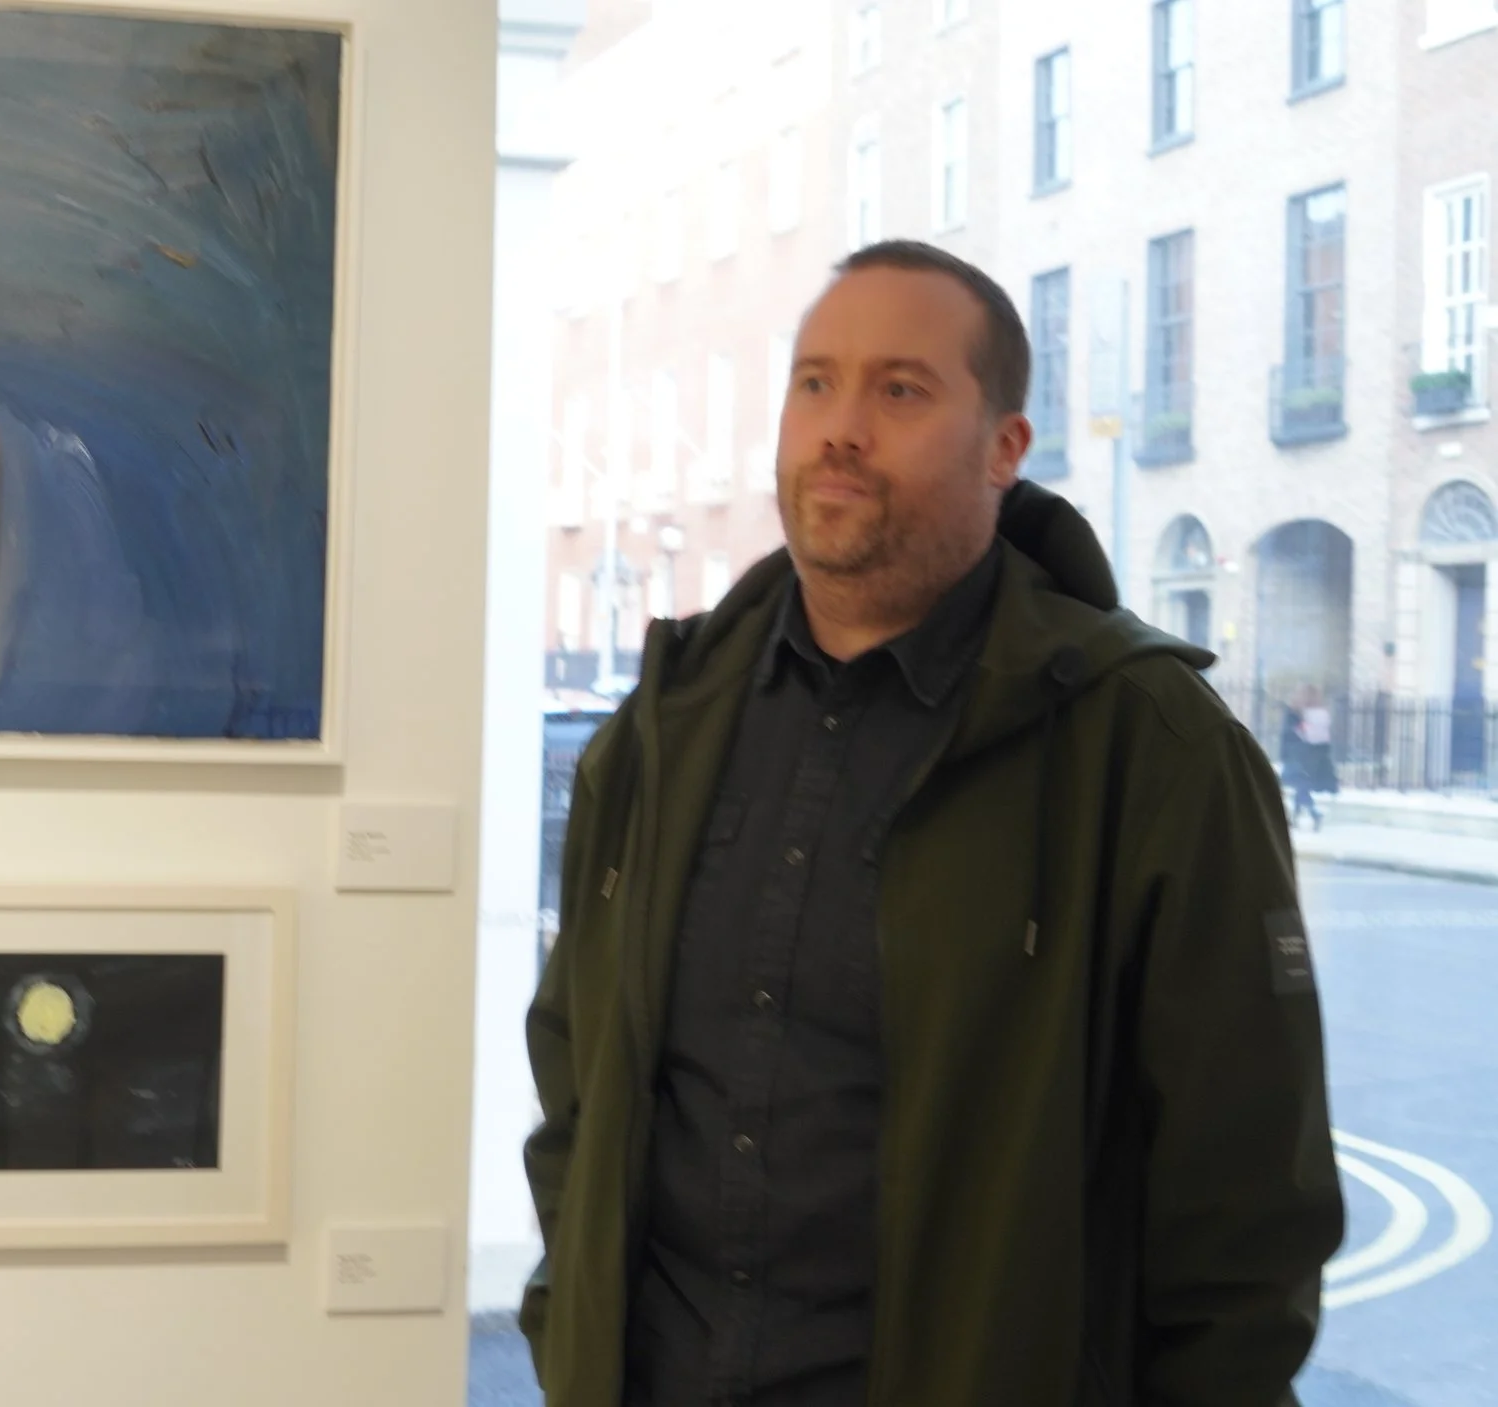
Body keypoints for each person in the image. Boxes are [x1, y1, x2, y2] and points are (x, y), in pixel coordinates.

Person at [519, 240, 1344, 1407]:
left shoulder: (1147, 749)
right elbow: (577, 1089)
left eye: (899, 389)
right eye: (815, 382)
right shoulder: (665, 726)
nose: (840, 426)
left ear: (1004, 447)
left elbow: (1245, 1216)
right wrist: (571, 1332)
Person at [1278, 684, 1338, 830]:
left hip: (1297, 755)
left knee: (1300, 784)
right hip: (1302, 755)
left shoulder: (1300, 714)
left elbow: (1290, 734)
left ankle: (1310, 814)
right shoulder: (1302, 714)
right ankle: (1301, 815)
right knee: (1301, 785)